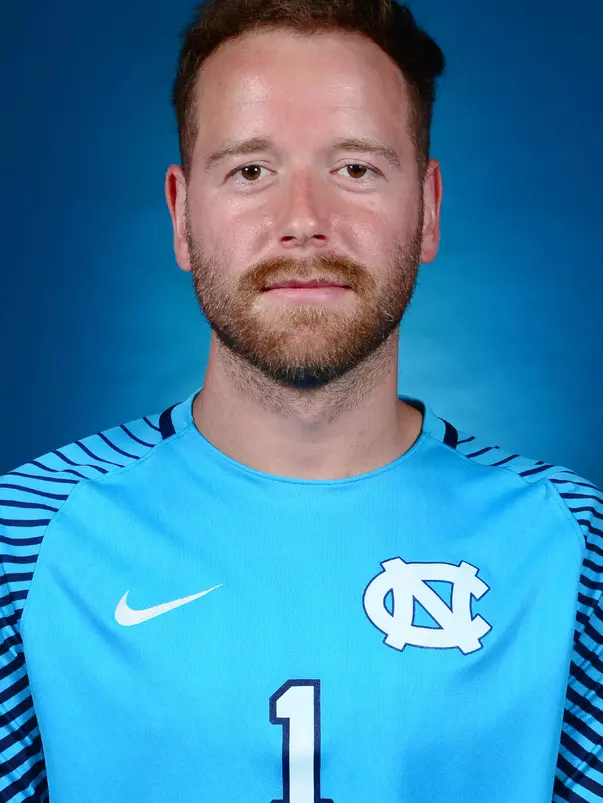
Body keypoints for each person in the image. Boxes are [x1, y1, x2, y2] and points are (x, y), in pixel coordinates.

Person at [1, 0, 600, 800]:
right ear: (182, 216)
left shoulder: (578, 547)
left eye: (354, 168)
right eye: (251, 170)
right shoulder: (22, 541)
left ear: (426, 208)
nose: (304, 222)